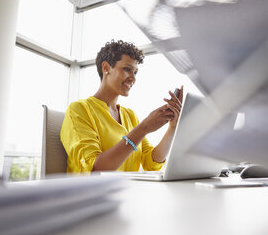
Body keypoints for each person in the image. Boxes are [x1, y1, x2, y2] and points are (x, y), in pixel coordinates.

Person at [61, 40, 183, 172]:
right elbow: (96, 168)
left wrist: (172, 128)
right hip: (93, 192)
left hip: (128, 191)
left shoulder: (130, 116)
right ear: (106, 68)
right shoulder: (79, 110)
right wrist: (144, 128)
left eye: (135, 72)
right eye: (127, 69)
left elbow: (151, 162)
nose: (133, 78)